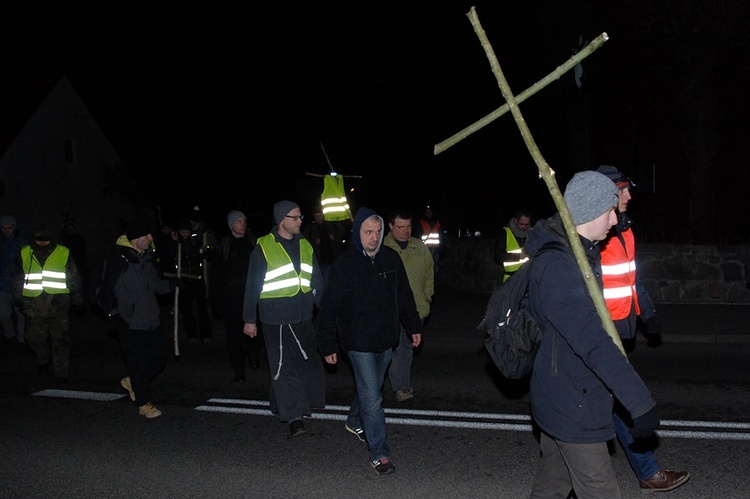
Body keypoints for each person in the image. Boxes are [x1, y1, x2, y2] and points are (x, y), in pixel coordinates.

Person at [522, 171, 660, 497]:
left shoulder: (584, 251)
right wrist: (638, 400)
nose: (616, 218)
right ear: (590, 211)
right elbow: (591, 339)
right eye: (610, 211)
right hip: (573, 401)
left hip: (564, 393)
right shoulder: (560, 265)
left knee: (552, 486)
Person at [596, 164, 690, 493]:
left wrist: (647, 314)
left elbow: (632, 278)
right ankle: (646, 471)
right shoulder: (594, 235)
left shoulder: (625, 230)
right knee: (619, 401)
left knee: (605, 403)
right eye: (623, 190)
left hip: (623, 329)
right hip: (600, 335)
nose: (629, 196)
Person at [316, 207, 422, 476]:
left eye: (377, 232)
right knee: (373, 398)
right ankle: (380, 453)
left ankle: (354, 419)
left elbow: (404, 296)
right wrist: (327, 343)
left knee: (371, 386)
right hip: (357, 340)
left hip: (385, 338)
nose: (373, 238)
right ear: (357, 233)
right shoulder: (345, 265)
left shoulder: (390, 259)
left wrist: (413, 326)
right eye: (368, 232)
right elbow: (330, 307)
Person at [242, 200, 325, 437]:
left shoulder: (306, 244)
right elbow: (252, 285)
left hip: (302, 316)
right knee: (284, 368)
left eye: (300, 217)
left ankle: (281, 402)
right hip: (275, 319)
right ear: (282, 220)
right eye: (295, 217)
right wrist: (249, 319)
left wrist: (329, 312)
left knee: (304, 365)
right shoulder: (264, 247)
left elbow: (316, 281)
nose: (300, 221)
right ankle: (295, 419)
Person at [102, 220, 176, 418]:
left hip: (151, 319)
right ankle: (144, 403)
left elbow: (154, 284)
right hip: (129, 322)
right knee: (137, 364)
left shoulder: (147, 258)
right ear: (135, 237)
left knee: (159, 358)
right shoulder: (118, 260)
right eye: (147, 235)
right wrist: (114, 314)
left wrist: (171, 285)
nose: (151, 239)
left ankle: (134, 382)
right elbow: (104, 291)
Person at [11, 225, 84, 383]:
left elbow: (73, 276)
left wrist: (78, 299)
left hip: (59, 302)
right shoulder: (24, 252)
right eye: (39, 240)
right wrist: (17, 299)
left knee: (61, 338)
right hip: (32, 302)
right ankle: (43, 360)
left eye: (46, 240)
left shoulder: (63, 252)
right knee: (33, 337)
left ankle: (61, 371)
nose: (43, 243)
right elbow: (16, 277)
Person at [383, 208, 434, 402]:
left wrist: (427, 297)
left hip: (416, 308)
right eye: (401, 227)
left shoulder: (419, 247)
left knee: (405, 349)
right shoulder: (383, 247)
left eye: (409, 227)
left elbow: (430, 273)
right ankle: (386, 384)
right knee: (389, 349)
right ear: (391, 226)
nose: (405, 231)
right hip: (390, 310)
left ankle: (401, 387)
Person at [214, 210, 261, 382]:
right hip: (232, 299)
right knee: (234, 336)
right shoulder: (225, 245)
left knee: (255, 333)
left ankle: (253, 351)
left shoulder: (253, 242)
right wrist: (217, 301)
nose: (242, 224)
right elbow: (217, 274)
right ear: (231, 225)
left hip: (252, 296)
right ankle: (238, 368)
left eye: (244, 220)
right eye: (238, 221)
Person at [166, 217, 214, 345]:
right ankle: (191, 334)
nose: (185, 235)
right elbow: (169, 257)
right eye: (183, 232)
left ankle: (206, 334)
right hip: (183, 280)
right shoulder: (175, 243)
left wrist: (205, 251)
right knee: (187, 309)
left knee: (201, 308)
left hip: (197, 277)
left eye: (187, 232)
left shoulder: (197, 240)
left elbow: (209, 255)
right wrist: (173, 242)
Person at [0, 215, 27, 344]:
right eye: (3, 228)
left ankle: (21, 338)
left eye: (9, 228)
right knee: (3, 314)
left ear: (14, 228)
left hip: (18, 285)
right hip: (3, 286)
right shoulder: (1, 244)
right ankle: (10, 336)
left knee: (21, 314)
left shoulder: (21, 244)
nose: (6, 231)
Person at [495, 209, 532, 282]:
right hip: (510, 278)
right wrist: (518, 256)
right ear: (516, 221)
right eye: (522, 224)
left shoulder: (532, 234)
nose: (524, 227)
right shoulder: (505, 233)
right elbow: (498, 256)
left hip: (527, 277)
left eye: (527, 225)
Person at [303, 211, 335, 276]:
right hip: (319, 258)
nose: (318, 218)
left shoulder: (331, 224)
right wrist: (314, 241)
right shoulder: (311, 227)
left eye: (320, 216)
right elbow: (305, 240)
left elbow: (342, 234)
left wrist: (334, 237)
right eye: (316, 216)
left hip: (332, 257)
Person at [417, 205, 441, 276]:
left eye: (430, 212)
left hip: (436, 248)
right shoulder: (420, 222)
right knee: (425, 266)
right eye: (427, 212)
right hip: (424, 249)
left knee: (436, 266)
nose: (429, 213)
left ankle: (434, 281)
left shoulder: (437, 222)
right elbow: (417, 235)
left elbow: (441, 235)